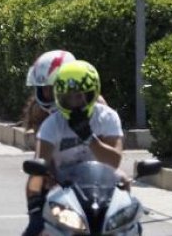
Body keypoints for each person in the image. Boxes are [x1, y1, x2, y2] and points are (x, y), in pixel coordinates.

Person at [23, 60, 123, 236]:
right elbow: (41, 164)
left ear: (92, 93)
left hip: (100, 186)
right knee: (36, 228)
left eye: (80, 95)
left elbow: (114, 162)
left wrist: (90, 138)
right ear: (59, 97)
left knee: (125, 182)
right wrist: (48, 179)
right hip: (63, 187)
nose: (75, 102)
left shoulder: (108, 117)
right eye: (68, 97)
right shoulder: (51, 124)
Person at [23, 49, 76, 132]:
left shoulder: (93, 107)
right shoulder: (38, 111)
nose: (46, 93)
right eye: (43, 88)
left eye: (52, 88)